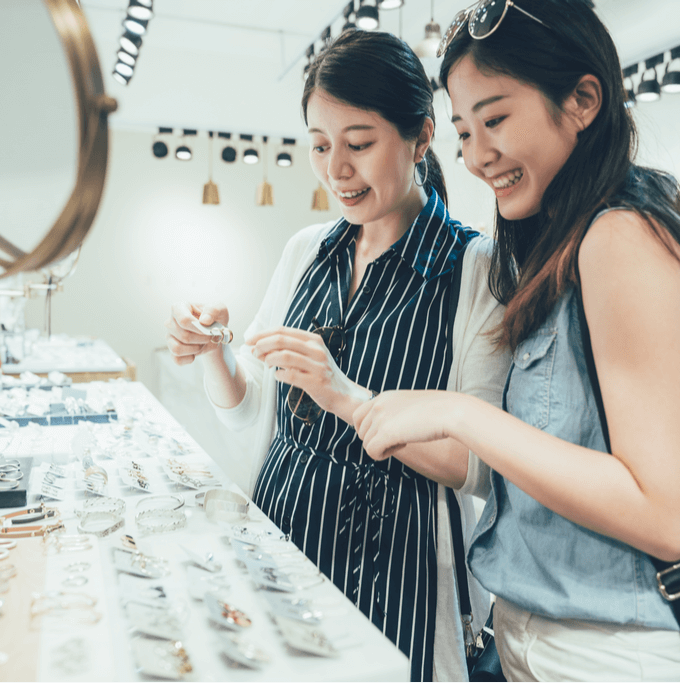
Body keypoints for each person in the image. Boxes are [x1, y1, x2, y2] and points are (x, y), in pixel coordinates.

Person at [352, 1, 680, 681]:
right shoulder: (561, 247)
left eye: (495, 120)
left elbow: (666, 512)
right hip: (540, 636)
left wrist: (461, 412)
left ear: (584, 99)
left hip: (613, 651)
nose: (475, 156)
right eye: (465, 132)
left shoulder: (622, 238)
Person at [165, 30, 510, 682]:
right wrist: (213, 351)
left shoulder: (473, 269)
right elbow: (251, 412)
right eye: (320, 146)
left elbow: (478, 465)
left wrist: (347, 395)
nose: (335, 169)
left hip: (399, 577)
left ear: (421, 136)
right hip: (278, 545)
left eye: (358, 143)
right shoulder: (307, 251)